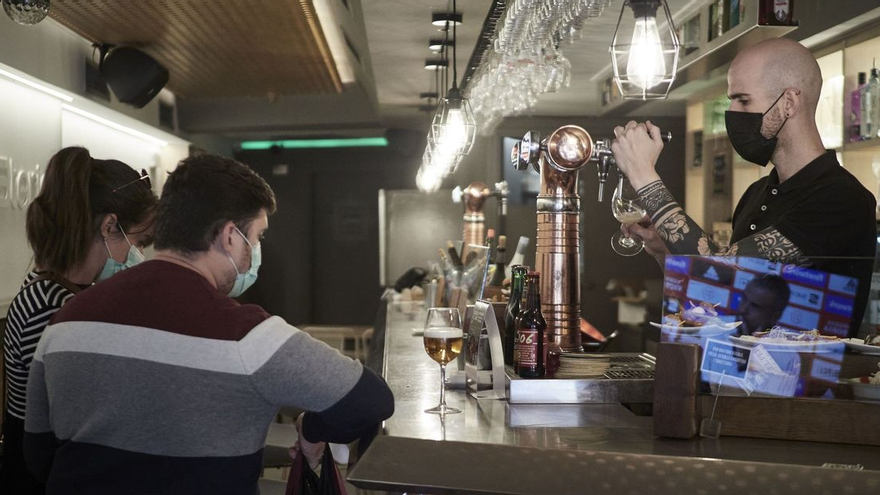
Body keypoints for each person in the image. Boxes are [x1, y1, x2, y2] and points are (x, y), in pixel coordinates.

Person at [23, 154, 394, 494]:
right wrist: (312, 431)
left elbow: (38, 454)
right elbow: (371, 400)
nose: (256, 249)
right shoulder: (250, 338)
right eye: (257, 236)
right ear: (230, 236)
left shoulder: (65, 322)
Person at [611, 38, 876, 337]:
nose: (732, 113)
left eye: (744, 100)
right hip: (734, 378)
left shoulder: (841, 198)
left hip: (803, 380)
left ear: (789, 102)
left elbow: (723, 272)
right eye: (731, 101)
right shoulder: (757, 192)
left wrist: (643, 175)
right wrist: (666, 253)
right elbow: (717, 297)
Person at [1, 147, 156, 494]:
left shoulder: (57, 293)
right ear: (109, 226)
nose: (141, 256)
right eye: (140, 241)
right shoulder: (53, 308)